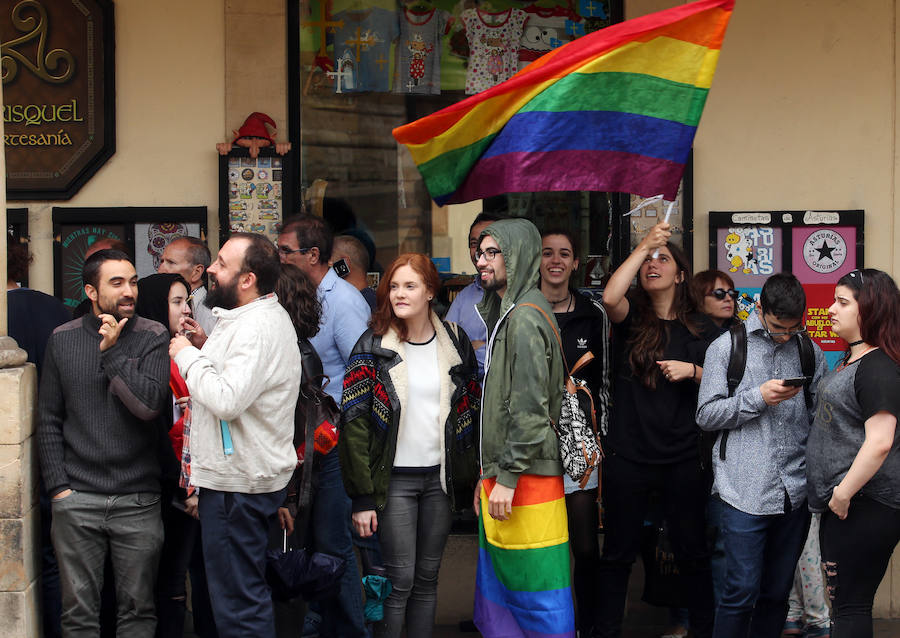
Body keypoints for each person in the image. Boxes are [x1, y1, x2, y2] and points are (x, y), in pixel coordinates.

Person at [339, 253, 481, 638]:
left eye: (410, 285)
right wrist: (362, 497)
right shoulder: (372, 345)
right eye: (394, 286)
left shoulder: (455, 341)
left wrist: (473, 477)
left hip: (439, 481)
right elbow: (353, 424)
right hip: (394, 483)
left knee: (427, 578)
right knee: (399, 580)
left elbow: (471, 409)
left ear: (430, 291)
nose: (399, 294)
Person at [169, 233, 301, 638]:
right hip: (239, 480)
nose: (210, 268)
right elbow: (242, 378)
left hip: (236, 486)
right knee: (241, 595)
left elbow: (227, 399)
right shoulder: (247, 318)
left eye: (222, 263)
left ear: (247, 280)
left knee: (239, 605)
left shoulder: (256, 327)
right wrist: (205, 346)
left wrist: (187, 355)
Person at [37, 249, 170, 637]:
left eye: (132, 281)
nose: (130, 291)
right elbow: (48, 419)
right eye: (117, 283)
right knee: (78, 615)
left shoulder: (152, 335)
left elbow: (148, 406)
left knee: (138, 611)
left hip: (138, 500)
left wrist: (111, 354)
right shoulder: (61, 340)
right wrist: (59, 489)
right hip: (78, 500)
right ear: (92, 291)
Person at [597, 221, 714, 638]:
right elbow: (611, 296)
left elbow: (727, 385)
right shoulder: (630, 320)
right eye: (647, 260)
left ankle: (703, 630)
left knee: (693, 554)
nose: (653, 264)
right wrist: (646, 243)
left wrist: (694, 370)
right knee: (617, 556)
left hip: (683, 458)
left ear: (680, 275)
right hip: (628, 457)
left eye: (663, 259)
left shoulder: (703, 328)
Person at [696, 272, 826, 637]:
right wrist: (757, 399)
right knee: (740, 592)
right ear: (760, 309)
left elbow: (819, 416)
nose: (786, 335)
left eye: (792, 328)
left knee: (776, 595)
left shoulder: (807, 348)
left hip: (795, 492)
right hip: (743, 491)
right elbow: (705, 416)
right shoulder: (726, 348)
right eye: (777, 328)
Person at [471, 218, 574, 638]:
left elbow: (529, 410)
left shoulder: (525, 319)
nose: (482, 260)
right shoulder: (515, 312)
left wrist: (506, 479)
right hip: (512, 477)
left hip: (525, 480)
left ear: (518, 258)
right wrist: (489, 476)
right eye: (481, 251)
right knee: (511, 595)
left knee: (536, 596)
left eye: (493, 253)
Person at [277, 214, 371, 637]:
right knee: (318, 546)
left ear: (312, 255)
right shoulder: (301, 295)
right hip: (309, 442)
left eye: (284, 251)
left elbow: (364, 372)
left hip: (336, 441)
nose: (277, 257)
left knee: (335, 548)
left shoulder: (344, 301)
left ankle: (352, 630)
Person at [807, 268, 900, 638]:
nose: (831, 309)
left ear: (870, 310)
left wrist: (842, 495)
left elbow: (880, 441)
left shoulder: (878, 367)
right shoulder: (855, 360)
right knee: (845, 605)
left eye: (842, 302)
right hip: (849, 504)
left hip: (865, 504)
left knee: (850, 606)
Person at [133, 273, 216, 638]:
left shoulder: (191, 352)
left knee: (197, 578)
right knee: (165, 582)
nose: (186, 309)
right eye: (176, 301)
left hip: (193, 486)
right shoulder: (144, 358)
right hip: (161, 487)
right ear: (154, 306)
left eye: (188, 301)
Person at [538, 228, 610, 637]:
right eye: (548, 253)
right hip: (537, 442)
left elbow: (605, 379)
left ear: (575, 263)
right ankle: (552, 626)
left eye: (564, 254)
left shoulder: (592, 313)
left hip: (581, 441)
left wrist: (605, 434)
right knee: (545, 546)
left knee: (584, 545)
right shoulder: (523, 310)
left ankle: (590, 626)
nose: (555, 260)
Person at [7, 239, 71, 638]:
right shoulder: (56, 310)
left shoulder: (4, 314)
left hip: (13, 449)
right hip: (60, 448)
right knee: (54, 557)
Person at [445, 211, 506, 380]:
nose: (480, 250)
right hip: (470, 401)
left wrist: (472, 350)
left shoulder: (522, 296)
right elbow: (445, 352)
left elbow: (512, 363)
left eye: (489, 243)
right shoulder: (464, 297)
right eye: (474, 243)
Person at [158, 236, 216, 335]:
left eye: (171, 263)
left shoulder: (210, 315)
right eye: (162, 261)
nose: (160, 270)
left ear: (196, 272)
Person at [332, 234, 377, 311]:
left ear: (344, 263)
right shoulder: (372, 300)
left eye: (328, 260)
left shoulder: (357, 305)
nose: (325, 266)